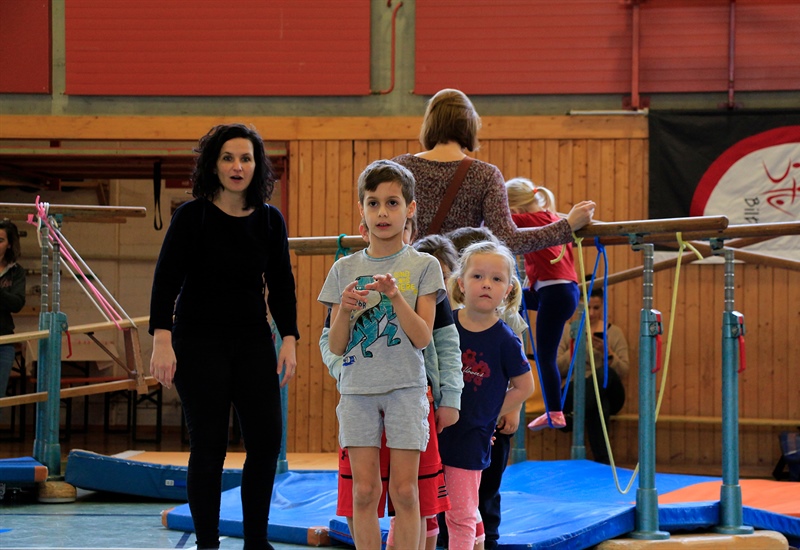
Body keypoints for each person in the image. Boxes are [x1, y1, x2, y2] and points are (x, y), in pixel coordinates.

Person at [149, 123, 299, 550]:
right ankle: (208, 543)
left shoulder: (270, 220)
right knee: (210, 444)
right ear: (213, 166)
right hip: (198, 341)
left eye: (246, 158)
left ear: (258, 166)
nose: (238, 167)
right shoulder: (191, 217)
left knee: (267, 440)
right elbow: (166, 280)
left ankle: (256, 540)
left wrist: (289, 337)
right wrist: (162, 336)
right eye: (229, 158)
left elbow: (281, 283)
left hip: (252, 339)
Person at [318, 159, 446, 549]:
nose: (382, 212)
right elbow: (337, 345)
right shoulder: (344, 268)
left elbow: (423, 337)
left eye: (392, 203)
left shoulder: (424, 265)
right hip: (357, 391)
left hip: (406, 389)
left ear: (410, 209)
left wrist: (393, 296)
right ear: (362, 210)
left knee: (406, 493)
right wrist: (345, 308)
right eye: (373, 203)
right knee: (364, 493)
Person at [392, 88, 595, 254]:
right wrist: (567, 226)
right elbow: (509, 241)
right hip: (460, 284)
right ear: (470, 125)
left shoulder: (399, 168)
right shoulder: (485, 175)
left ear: (429, 124)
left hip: (407, 281)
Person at [438, 240, 534, 549]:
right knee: (438, 506)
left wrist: (489, 414)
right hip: (437, 428)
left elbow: (525, 386)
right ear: (461, 283)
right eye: (478, 276)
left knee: (461, 511)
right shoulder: (446, 325)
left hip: (471, 436)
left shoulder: (505, 339)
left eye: (496, 279)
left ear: (508, 289)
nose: (486, 285)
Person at [504, 177, 579, 432]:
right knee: (513, 297)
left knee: (546, 357)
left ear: (514, 209)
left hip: (555, 292)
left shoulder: (526, 221)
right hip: (563, 292)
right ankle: (509, 334)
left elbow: (495, 225)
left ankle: (555, 413)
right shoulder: (553, 218)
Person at [557, 288, 629, 464]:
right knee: (598, 405)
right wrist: (575, 349)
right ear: (578, 307)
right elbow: (557, 368)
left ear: (602, 307)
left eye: (596, 308)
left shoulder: (614, 332)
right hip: (576, 389)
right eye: (587, 307)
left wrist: (608, 354)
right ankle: (603, 462)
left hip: (609, 389)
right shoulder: (567, 331)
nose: (592, 313)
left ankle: (575, 415)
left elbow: (624, 371)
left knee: (605, 374)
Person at [0, 219, 25, 399]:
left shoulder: (15, 271)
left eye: (0, 240)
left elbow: (17, 303)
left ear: (9, 244)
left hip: (3, 341)